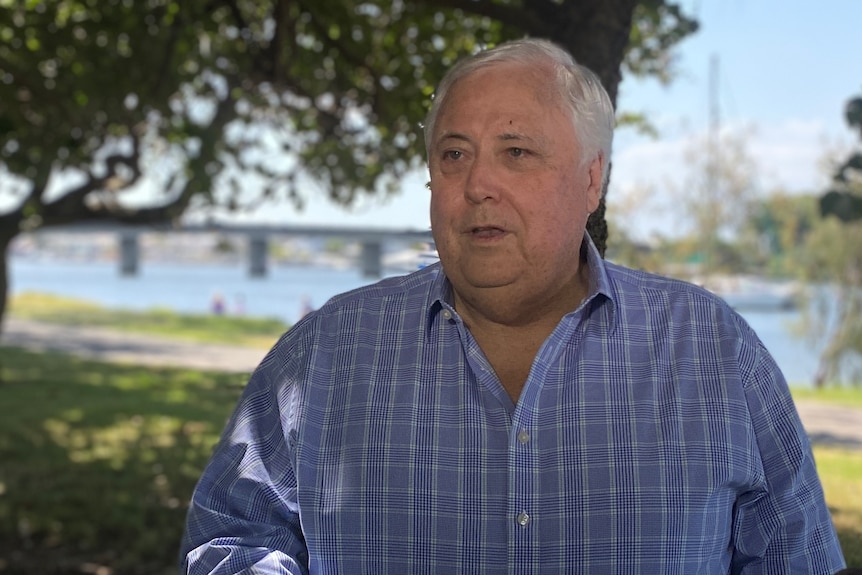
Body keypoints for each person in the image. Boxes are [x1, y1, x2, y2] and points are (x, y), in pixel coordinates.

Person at [180, 38, 847, 574]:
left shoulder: (713, 353)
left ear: (593, 178)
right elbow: (231, 538)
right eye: (454, 154)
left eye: (516, 151)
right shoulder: (327, 351)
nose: (477, 184)